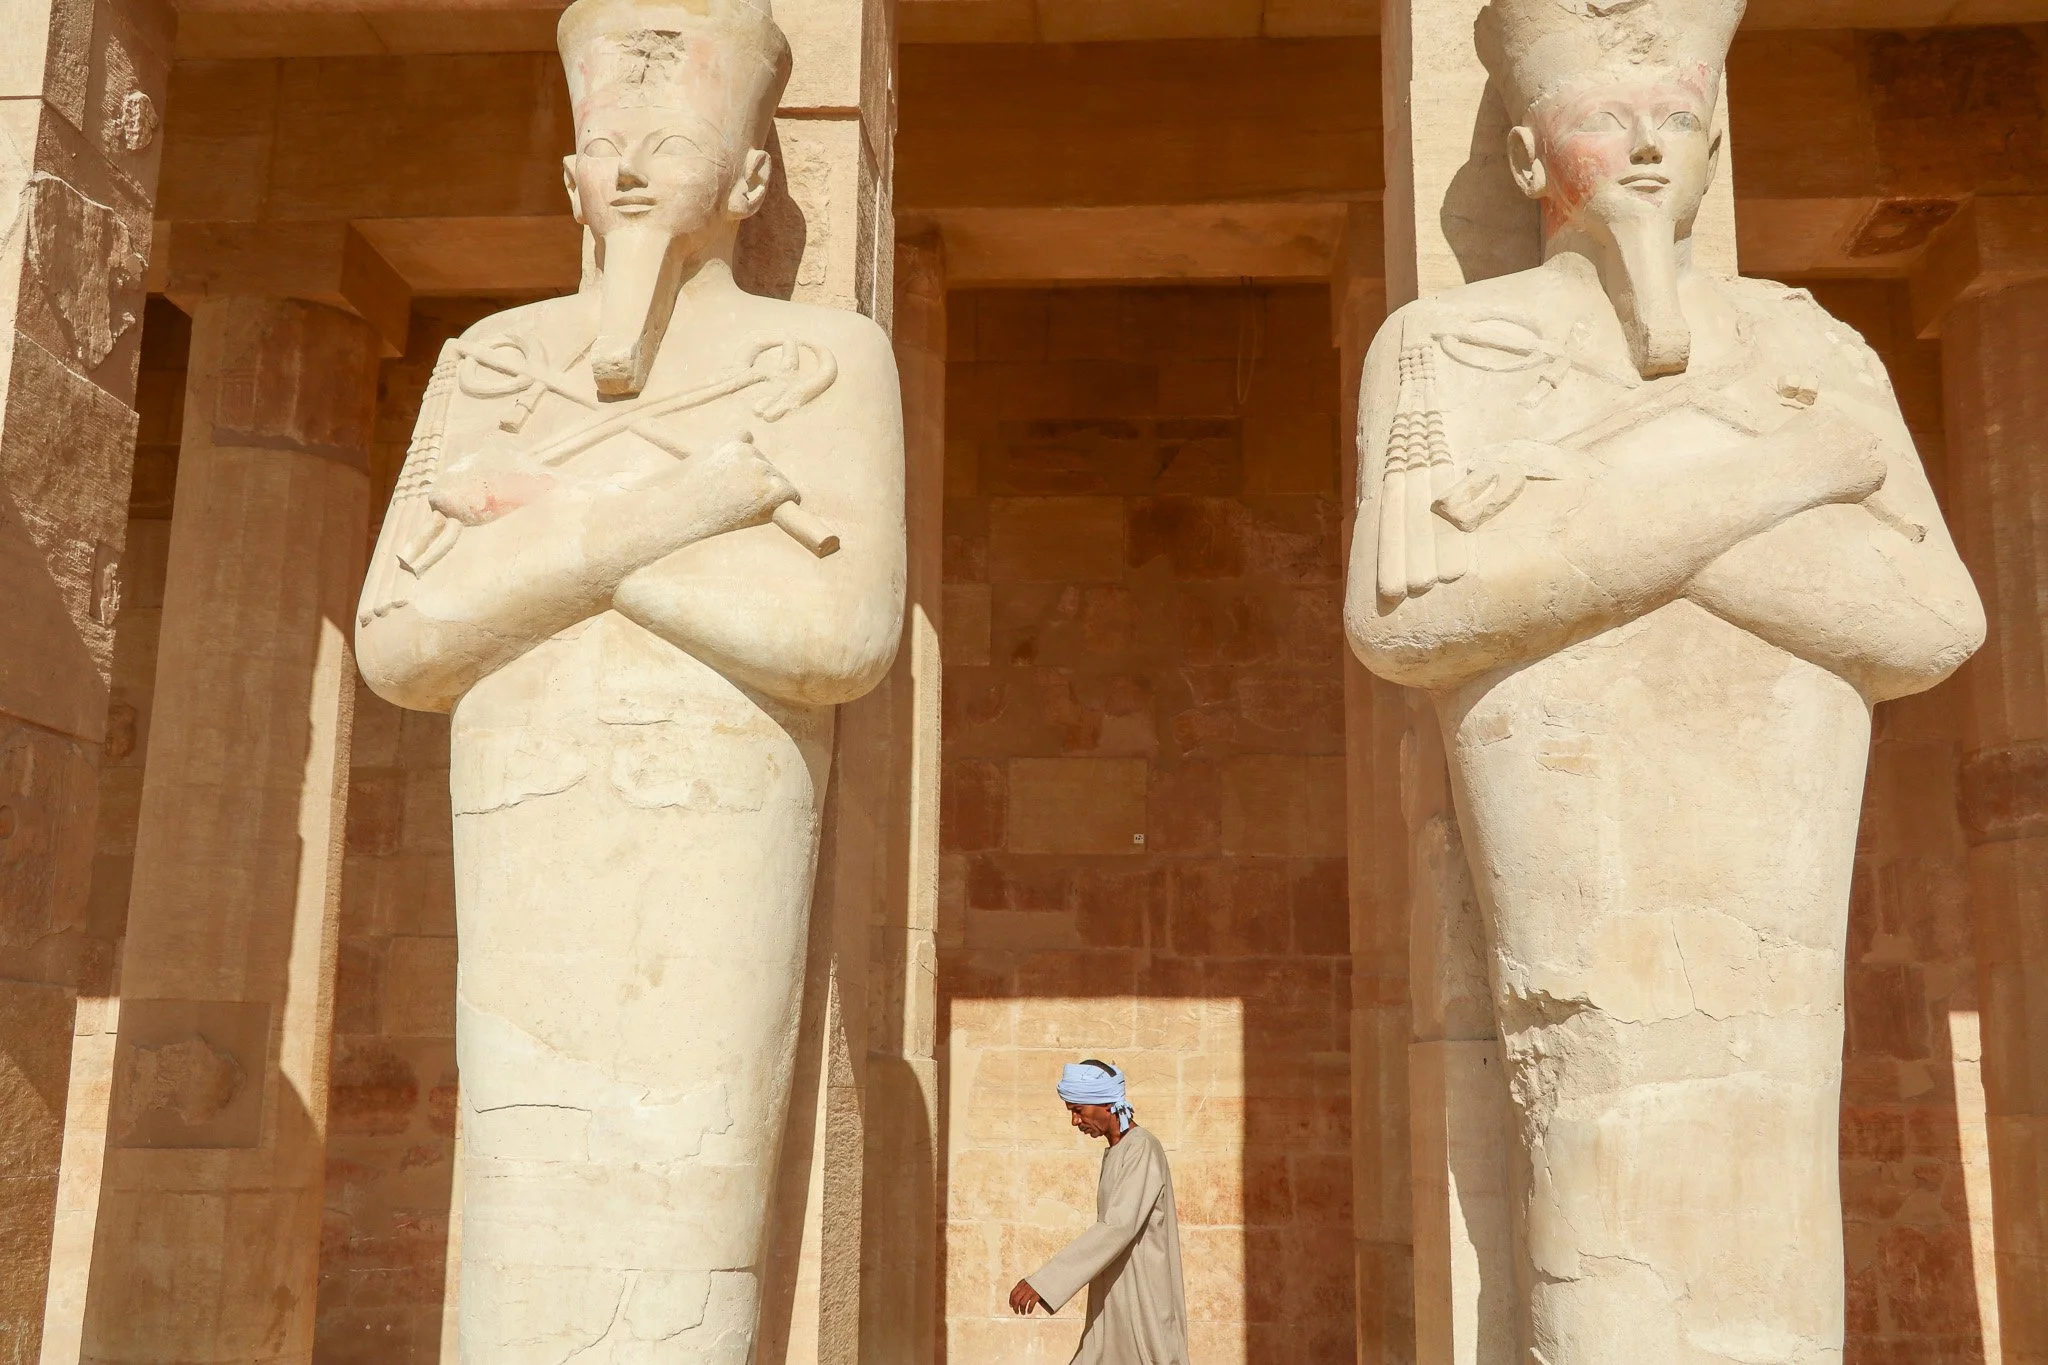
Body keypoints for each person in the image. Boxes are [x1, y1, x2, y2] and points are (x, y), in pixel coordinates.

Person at [1008, 1060, 1192, 1365]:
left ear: (1106, 1103)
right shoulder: (1119, 1151)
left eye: (1078, 1110)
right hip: (1112, 1300)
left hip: (1141, 1302)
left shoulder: (1142, 1149)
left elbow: (1117, 1227)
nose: (1075, 1121)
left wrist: (1045, 1282)